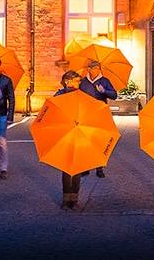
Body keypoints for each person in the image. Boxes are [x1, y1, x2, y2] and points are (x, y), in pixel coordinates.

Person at [79, 60, 117, 178]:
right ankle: (85, 167)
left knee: (99, 141)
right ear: (89, 69)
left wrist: (104, 91)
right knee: (86, 141)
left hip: (100, 114)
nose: (95, 70)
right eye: (92, 68)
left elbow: (114, 95)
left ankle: (99, 167)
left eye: (97, 68)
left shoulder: (104, 81)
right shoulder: (83, 82)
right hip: (85, 114)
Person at [55, 70, 87, 210]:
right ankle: (66, 198)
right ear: (68, 81)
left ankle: (74, 198)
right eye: (77, 81)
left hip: (78, 133)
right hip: (65, 134)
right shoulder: (59, 96)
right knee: (67, 168)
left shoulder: (82, 96)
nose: (79, 83)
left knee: (77, 168)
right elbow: (54, 114)